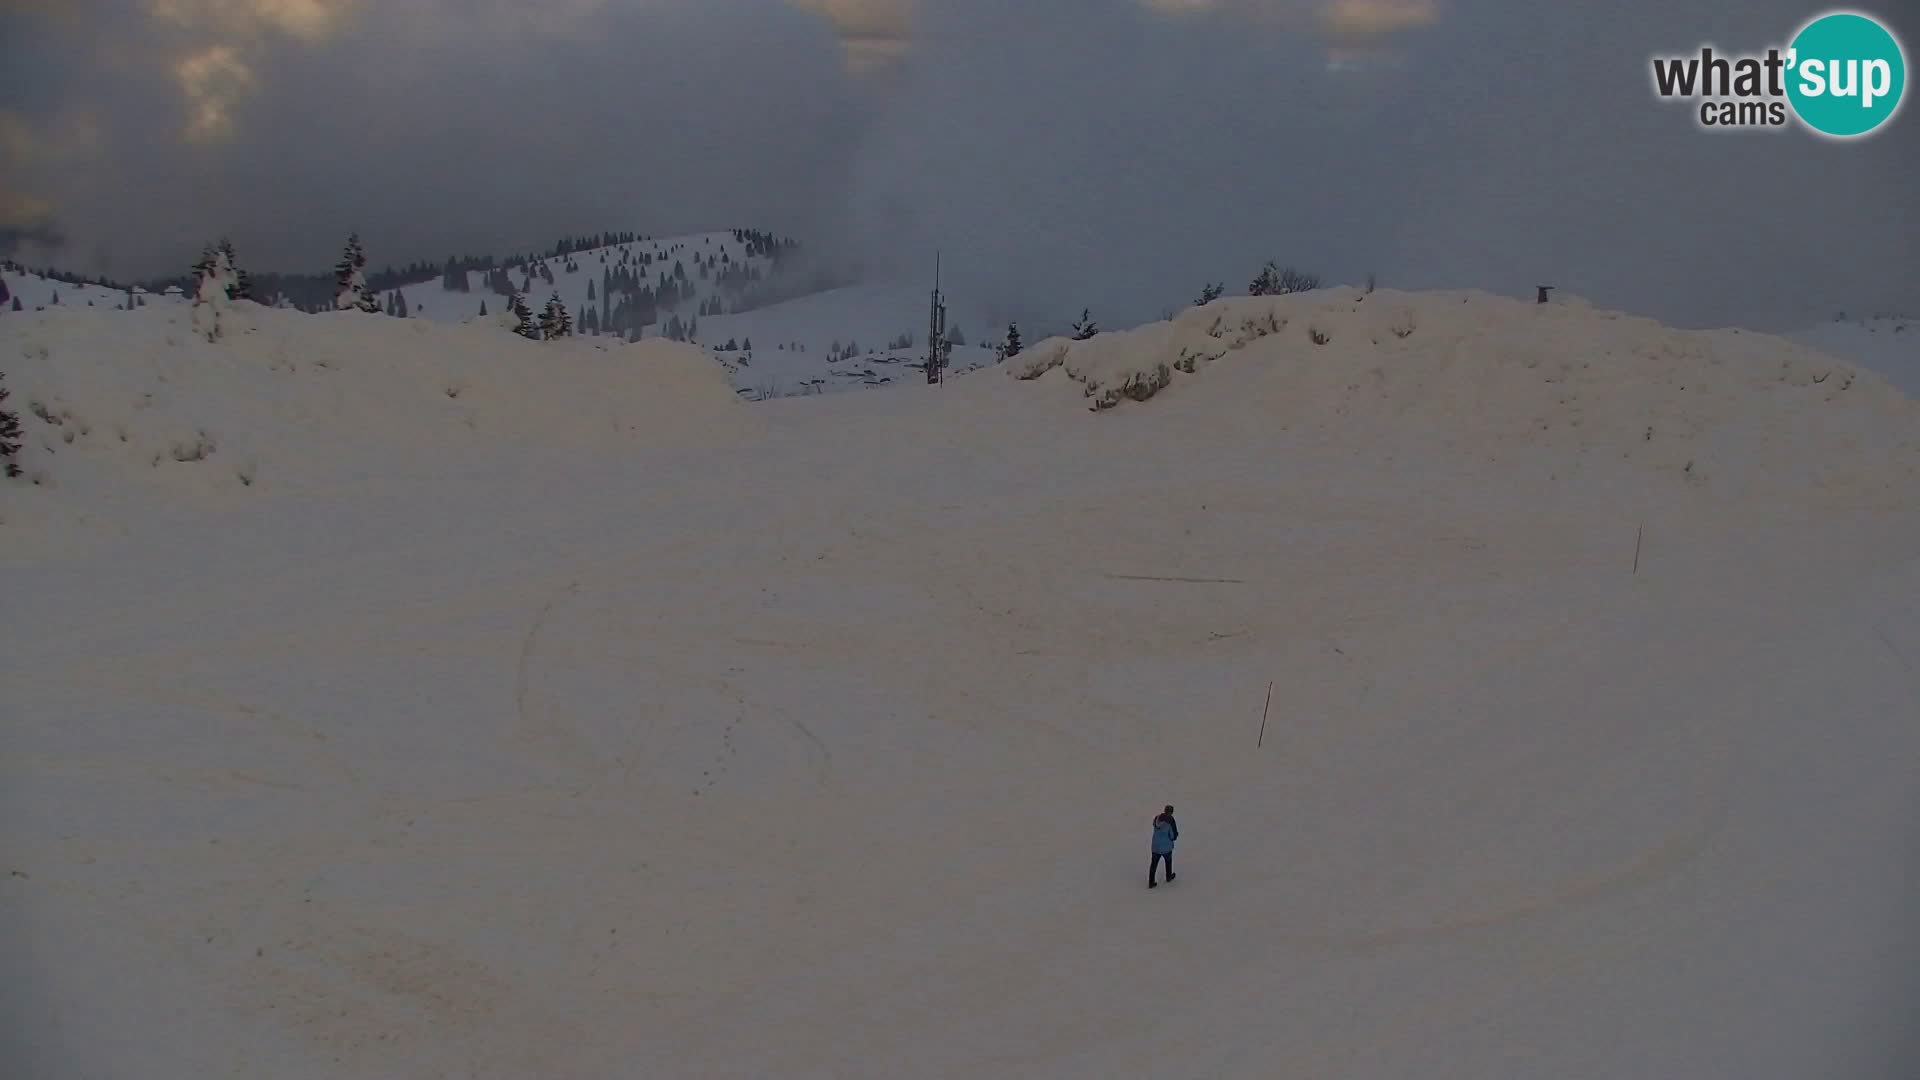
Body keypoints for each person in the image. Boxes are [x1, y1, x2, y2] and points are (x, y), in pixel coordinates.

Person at [1149, 804, 1178, 888]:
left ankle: (1151, 881)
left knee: (1153, 864)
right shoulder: (1171, 821)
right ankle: (1168, 877)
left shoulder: (1157, 818)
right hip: (1166, 847)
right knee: (1168, 862)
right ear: (1171, 812)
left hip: (1155, 846)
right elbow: (1173, 835)